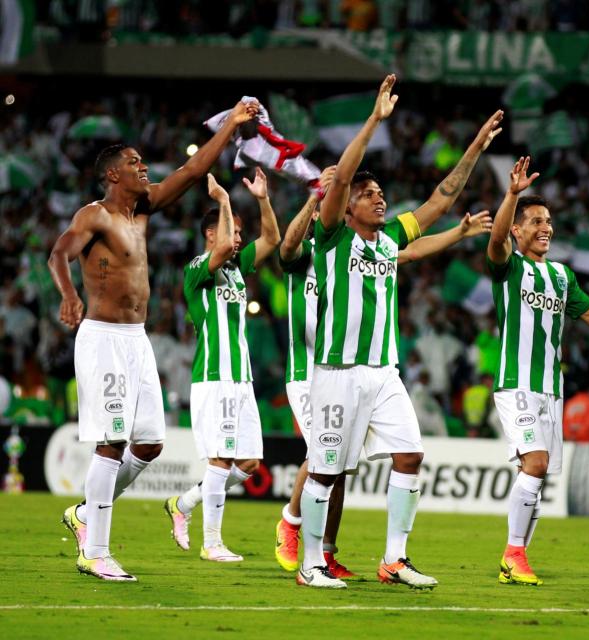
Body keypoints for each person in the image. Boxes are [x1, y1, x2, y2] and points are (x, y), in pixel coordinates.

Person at [295, 74, 502, 589]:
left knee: (411, 455)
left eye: (381, 193)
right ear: (348, 206)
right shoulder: (332, 235)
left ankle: (394, 559)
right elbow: (339, 179)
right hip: (337, 372)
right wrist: (374, 120)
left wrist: (475, 147)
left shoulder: (387, 241)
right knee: (325, 471)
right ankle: (311, 565)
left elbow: (440, 202)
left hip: (383, 372)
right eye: (369, 195)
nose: (379, 200)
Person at [48, 100, 259, 582]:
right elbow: (58, 254)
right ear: (111, 176)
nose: (143, 167)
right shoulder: (95, 216)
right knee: (112, 442)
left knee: (149, 445)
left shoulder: (142, 210)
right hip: (102, 336)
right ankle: (96, 551)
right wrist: (68, 296)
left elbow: (191, 170)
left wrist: (229, 126)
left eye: (143, 162)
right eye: (133, 163)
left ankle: (85, 514)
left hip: (136, 339)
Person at [487, 156, 589, 586]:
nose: (546, 227)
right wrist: (512, 194)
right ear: (519, 230)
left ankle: (515, 560)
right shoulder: (509, 268)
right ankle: (513, 554)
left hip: (550, 390)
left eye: (549, 220)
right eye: (535, 220)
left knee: (537, 479)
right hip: (515, 383)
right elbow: (496, 239)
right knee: (534, 464)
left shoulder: (560, 276)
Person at [163, 168, 280, 560]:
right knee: (222, 458)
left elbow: (274, 240)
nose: (240, 238)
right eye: (232, 229)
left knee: (249, 462)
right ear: (212, 234)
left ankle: (185, 504)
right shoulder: (198, 269)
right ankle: (211, 544)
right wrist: (225, 201)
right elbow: (224, 249)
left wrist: (262, 198)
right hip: (215, 377)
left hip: (241, 380)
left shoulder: (235, 269)